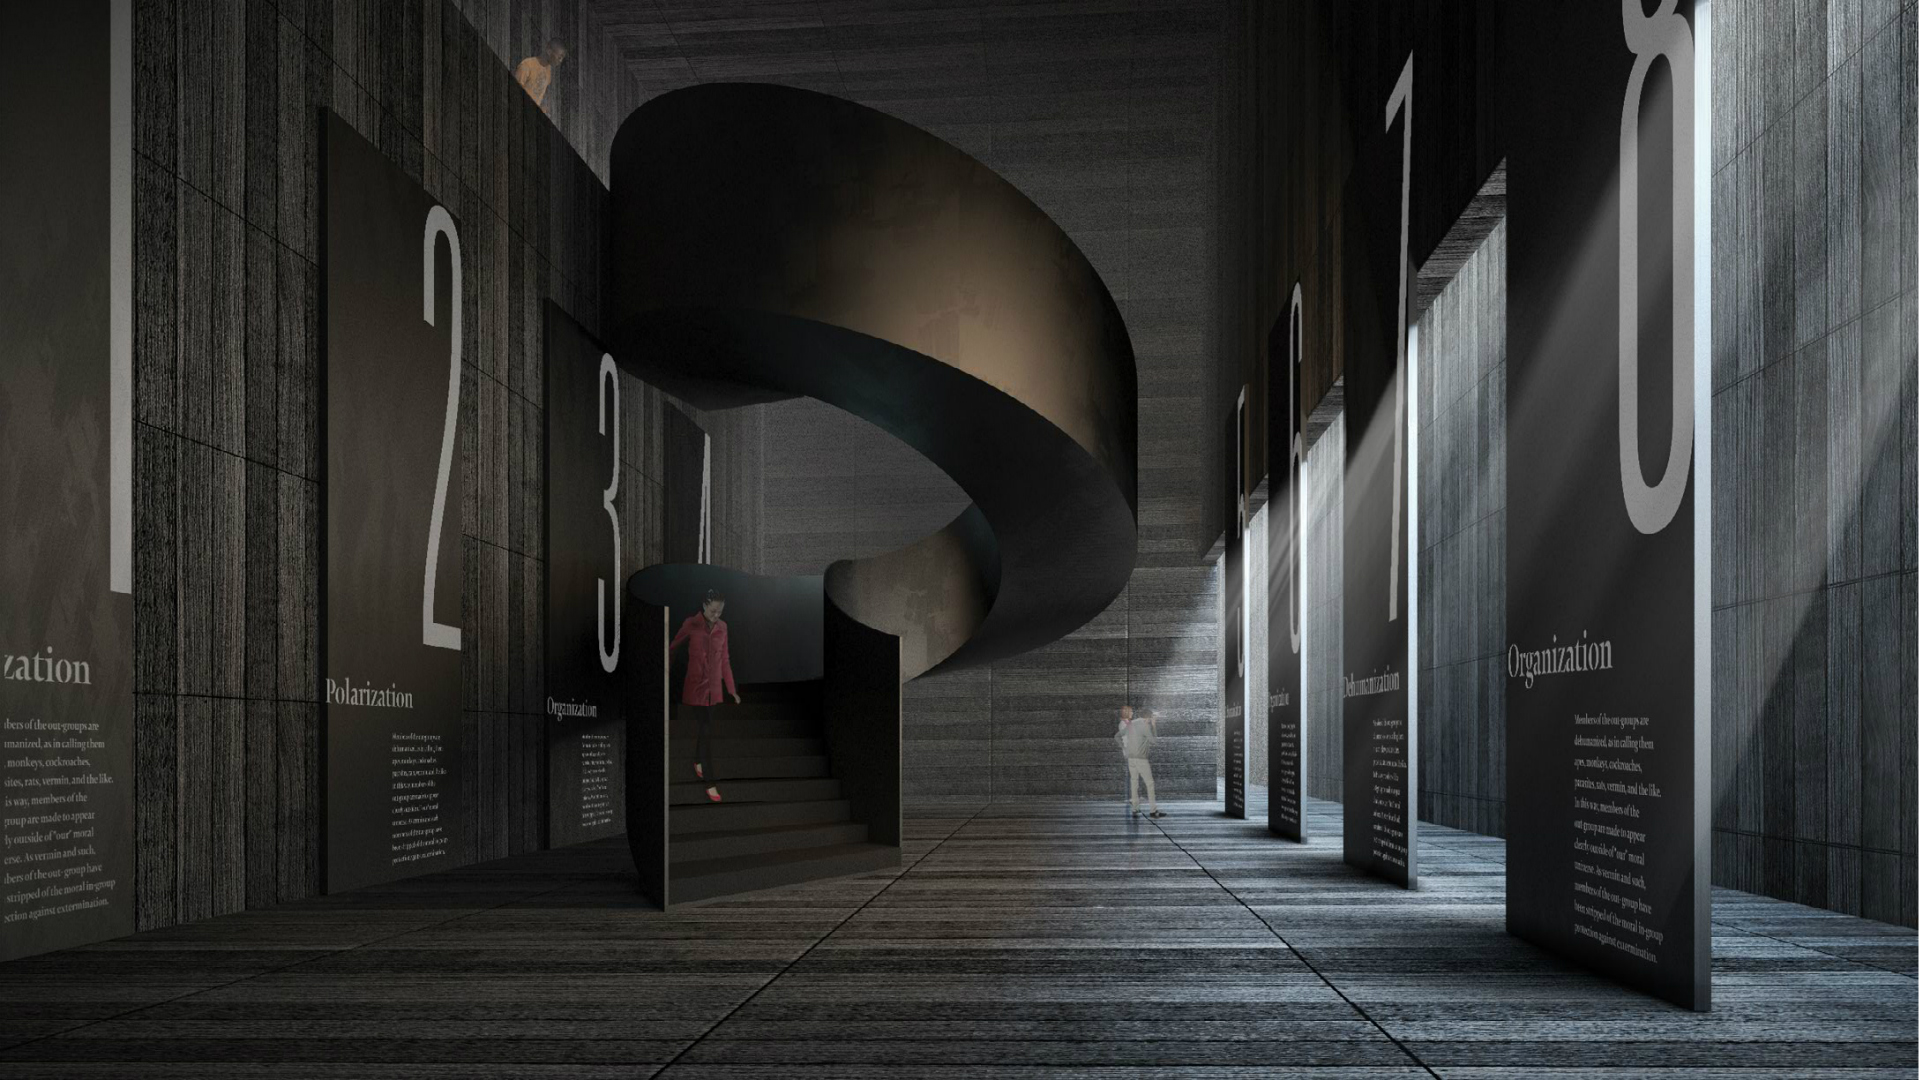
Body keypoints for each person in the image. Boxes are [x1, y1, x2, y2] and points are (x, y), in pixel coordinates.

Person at [669, 590, 739, 802]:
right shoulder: (691, 624)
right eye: (713, 610)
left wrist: (731, 689)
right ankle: (710, 781)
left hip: (714, 689)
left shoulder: (723, 628)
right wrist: (666, 672)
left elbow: (725, 659)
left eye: (720, 611)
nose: (717, 615)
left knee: (705, 728)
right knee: (706, 728)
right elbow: (672, 648)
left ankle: (697, 760)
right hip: (696, 688)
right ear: (705, 605)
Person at [1115, 705, 1163, 818]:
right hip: (1141, 759)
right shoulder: (1144, 726)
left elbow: (1117, 736)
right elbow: (1154, 742)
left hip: (1131, 759)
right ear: (1148, 718)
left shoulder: (1132, 724)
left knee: (1134, 783)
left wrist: (1125, 748)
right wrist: (1154, 726)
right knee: (1150, 784)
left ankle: (1135, 809)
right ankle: (1153, 810)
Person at [514, 41, 567, 115]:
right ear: (549, 51)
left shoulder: (548, 70)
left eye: (562, 58)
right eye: (559, 57)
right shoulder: (527, 65)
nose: (560, 61)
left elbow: (543, 92)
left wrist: (544, 107)